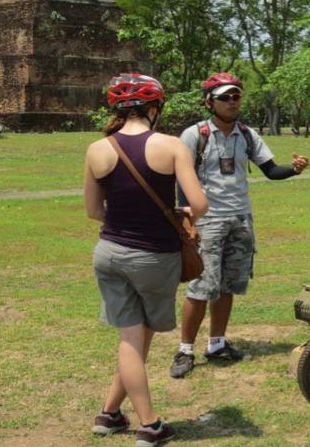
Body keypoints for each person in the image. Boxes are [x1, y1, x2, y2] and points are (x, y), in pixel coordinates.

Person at [84, 74, 208, 446]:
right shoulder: (171, 146)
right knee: (135, 341)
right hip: (154, 257)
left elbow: (93, 210)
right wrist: (180, 212)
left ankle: (108, 413)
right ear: (154, 108)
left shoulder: (97, 148)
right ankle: (150, 426)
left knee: (131, 338)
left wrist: (123, 224)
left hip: (108, 254)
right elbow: (200, 204)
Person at [170, 73, 309, 378]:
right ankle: (185, 350)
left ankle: (217, 344)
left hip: (241, 219)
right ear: (209, 102)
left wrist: (295, 170)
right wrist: (187, 217)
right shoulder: (194, 135)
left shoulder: (247, 134)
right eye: (225, 97)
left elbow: (270, 171)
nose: (233, 102)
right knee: (200, 287)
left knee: (228, 285)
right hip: (207, 221)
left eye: (236, 97)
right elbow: (182, 177)